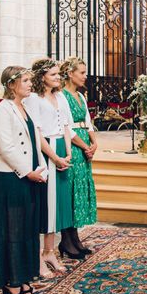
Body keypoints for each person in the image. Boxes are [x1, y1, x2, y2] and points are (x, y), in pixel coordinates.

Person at [0, 67, 47, 294]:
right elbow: (6, 147)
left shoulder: (23, 107)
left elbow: (34, 141)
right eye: (25, 80)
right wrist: (27, 172)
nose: (29, 84)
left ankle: (24, 276)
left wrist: (41, 167)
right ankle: (11, 281)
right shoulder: (3, 110)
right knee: (13, 229)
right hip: (11, 177)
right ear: (12, 85)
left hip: (30, 175)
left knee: (27, 228)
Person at [24, 58, 77, 277]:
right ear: (42, 76)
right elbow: (36, 132)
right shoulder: (34, 99)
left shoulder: (61, 96)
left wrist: (68, 151)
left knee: (58, 206)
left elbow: (66, 125)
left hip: (61, 149)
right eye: (54, 74)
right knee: (45, 205)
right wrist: (54, 157)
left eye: (59, 74)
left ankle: (50, 251)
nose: (58, 77)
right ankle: (38, 255)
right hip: (45, 151)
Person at [61, 57, 98, 255]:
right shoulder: (63, 96)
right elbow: (67, 127)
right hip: (73, 146)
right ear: (70, 73)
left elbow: (87, 121)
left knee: (80, 189)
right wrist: (85, 146)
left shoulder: (80, 96)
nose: (85, 76)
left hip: (84, 144)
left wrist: (94, 142)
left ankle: (75, 239)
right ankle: (67, 239)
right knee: (71, 190)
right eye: (82, 73)